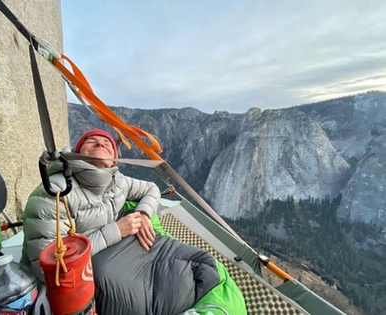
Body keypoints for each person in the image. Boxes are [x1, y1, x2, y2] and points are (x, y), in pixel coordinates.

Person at [21, 128, 247, 315]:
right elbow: (49, 268)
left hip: (123, 249)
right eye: (92, 142)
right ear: (76, 153)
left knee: (202, 266)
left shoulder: (117, 181)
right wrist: (116, 230)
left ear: (113, 162)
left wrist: (144, 214)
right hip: (92, 264)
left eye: (107, 144)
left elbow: (151, 188)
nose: (101, 144)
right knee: (142, 299)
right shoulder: (53, 194)